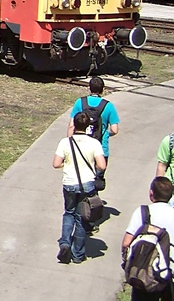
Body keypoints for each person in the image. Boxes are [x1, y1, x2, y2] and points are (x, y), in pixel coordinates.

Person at [53, 111, 106, 264]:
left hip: (69, 183)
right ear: (88, 126)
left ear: (74, 125)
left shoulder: (65, 142)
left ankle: (64, 243)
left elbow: (56, 164)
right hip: (87, 185)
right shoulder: (94, 143)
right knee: (81, 218)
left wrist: (67, 164)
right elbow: (102, 165)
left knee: (68, 213)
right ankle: (78, 254)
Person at [122, 177, 174, 301]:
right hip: (170, 274)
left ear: (151, 194)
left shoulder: (142, 212)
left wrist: (127, 263)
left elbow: (126, 243)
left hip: (145, 273)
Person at [69, 76, 119, 182]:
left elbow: (71, 125)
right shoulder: (108, 106)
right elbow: (115, 130)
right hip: (101, 148)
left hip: (81, 148)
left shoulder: (80, 102)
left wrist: (70, 142)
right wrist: (104, 133)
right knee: (96, 181)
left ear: (89, 88)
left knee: (80, 179)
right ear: (102, 89)